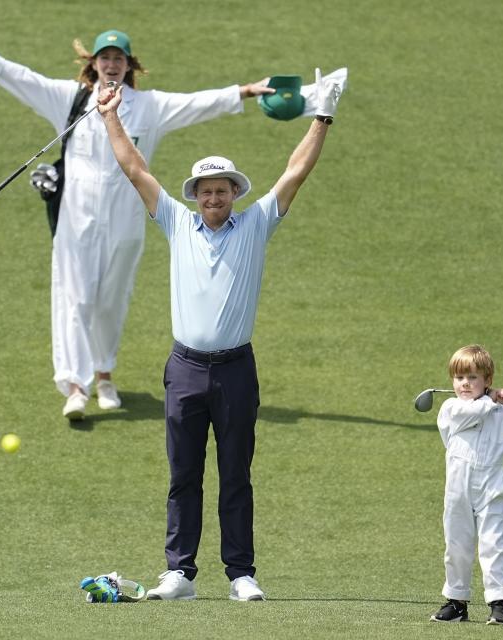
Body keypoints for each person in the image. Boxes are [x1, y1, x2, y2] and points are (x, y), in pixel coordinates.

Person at [94, 69, 344, 601]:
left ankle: (241, 574)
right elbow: (133, 167)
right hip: (185, 367)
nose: (213, 198)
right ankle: (179, 573)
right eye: (205, 190)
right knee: (183, 475)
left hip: (235, 369)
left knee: (236, 474)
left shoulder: (256, 223)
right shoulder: (177, 222)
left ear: (234, 192)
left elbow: (295, 172)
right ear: (196, 194)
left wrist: (322, 116)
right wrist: (111, 115)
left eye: (221, 189)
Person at [0, 30, 274, 419]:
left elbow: (198, 103)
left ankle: (104, 376)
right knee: (75, 299)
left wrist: (247, 91)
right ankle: (74, 385)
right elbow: (24, 80)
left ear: (129, 66)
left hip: (126, 225)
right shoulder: (70, 100)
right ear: (93, 63)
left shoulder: (150, 106)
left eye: (118, 59)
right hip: (77, 222)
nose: (111, 64)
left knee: (111, 300)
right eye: (104, 58)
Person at [430, 344, 503, 625]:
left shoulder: (501, 414)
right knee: (456, 545)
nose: (464, 384)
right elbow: (473, 413)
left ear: (487, 380)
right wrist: (491, 400)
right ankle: (456, 603)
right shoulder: (451, 409)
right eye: (459, 378)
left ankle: (498, 603)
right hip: (458, 488)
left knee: (493, 545)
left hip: (492, 487)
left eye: (472, 378)